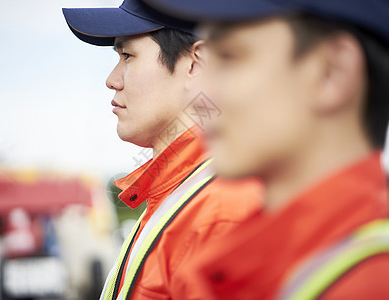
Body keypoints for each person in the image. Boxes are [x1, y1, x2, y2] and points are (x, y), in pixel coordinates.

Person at [143, 0, 389, 298]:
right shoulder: (269, 262)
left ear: (332, 72)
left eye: (230, 57)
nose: (199, 97)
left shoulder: (368, 283)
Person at [62, 1, 263, 299]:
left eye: (127, 55)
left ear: (196, 65)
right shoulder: (181, 194)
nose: (112, 80)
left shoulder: (221, 212)